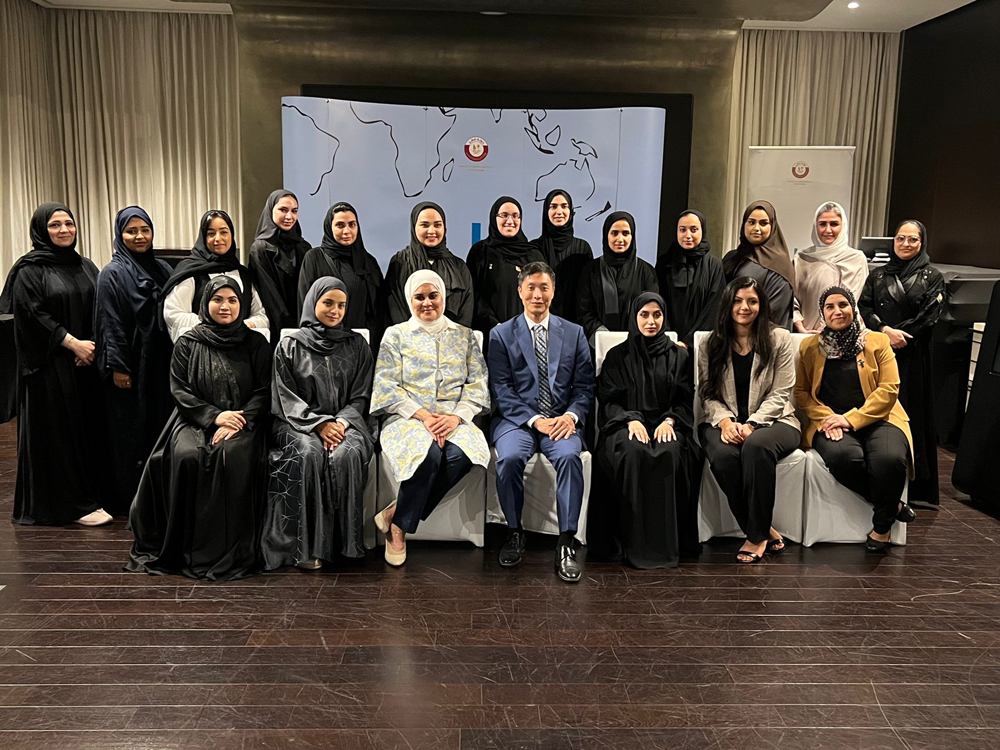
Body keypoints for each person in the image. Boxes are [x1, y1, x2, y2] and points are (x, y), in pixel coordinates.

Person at [127, 277, 271, 579]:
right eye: (218, 299)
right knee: (187, 456)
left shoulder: (256, 343)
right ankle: (186, 547)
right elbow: (180, 391)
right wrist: (215, 417)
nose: (225, 306)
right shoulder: (187, 343)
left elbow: (263, 390)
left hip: (243, 421)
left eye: (232, 300)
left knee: (230, 457)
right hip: (195, 419)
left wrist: (238, 419)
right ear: (205, 303)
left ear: (242, 305)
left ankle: (226, 549)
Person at [0, 203, 113, 526]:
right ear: (40, 230)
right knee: (59, 436)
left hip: (85, 364)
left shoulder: (85, 265)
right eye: (54, 225)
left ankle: (91, 495)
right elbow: (32, 315)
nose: (64, 230)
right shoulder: (29, 270)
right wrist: (72, 343)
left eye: (69, 223)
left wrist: (89, 346)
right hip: (49, 368)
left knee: (86, 433)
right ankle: (69, 506)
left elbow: (99, 307)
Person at [371, 269, 490, 566]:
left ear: (443, 297)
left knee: (461, 455)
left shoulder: (464, 336)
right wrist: (423, 416)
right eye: (419, 297)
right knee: (429, 457)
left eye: (433, 295)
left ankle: (396, 515)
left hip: (454, 419)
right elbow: (386, 386)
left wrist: (455, 418)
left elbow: (477, 385)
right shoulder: (395, 335)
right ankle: (398, 531)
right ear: (409, 300)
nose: (427, 303)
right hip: (408, 418)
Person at [489, 261, 595, 583]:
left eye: (544, 288)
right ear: (520, 291)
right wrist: (535, 420)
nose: (537, 295)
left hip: (561, 420)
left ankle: (566, 542)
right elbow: (501, 390)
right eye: (531, 288)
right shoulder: (501, 334)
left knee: (568, 457)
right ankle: (514, 532)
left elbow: (585, 387)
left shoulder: (574, 333)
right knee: (507, 458)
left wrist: (570, 416)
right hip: (517, 420)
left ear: (553, 291)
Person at [261, 277, 376, 569]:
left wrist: (339, 423)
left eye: (341, 305)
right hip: (296, 424)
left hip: (346, 424)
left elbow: (362, 396)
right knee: (308, 453)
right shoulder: (289, 345)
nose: (335, 311)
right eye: (328, 303)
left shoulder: (357, 345)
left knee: (346, 454)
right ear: (313, 303)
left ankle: (344, 546)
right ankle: (304, 549)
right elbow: (284, 398)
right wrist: (317, 425)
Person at [795, 286, 915, 552]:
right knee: (843, 459)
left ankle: (882, 528)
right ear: (822, 313)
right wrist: (828, 417)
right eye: (830, 307)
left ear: (853, 308)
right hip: (830, 422)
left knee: (889, 460)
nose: (837, 311)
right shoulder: (810, 347)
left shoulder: (877, 341)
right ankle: (892, 505)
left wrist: (850, 420)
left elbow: (889, 389)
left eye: (843, 305)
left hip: (879, 418)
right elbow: (801, 393)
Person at [698, 278, 801, 563]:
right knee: (722, 456)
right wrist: (726, 422)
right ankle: (763, 527)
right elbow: (707, 393)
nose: (745, 307)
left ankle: (755, 537)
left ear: (762, 305)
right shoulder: (711, 343)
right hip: (723, 422)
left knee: (756, 447)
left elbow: (781, 393)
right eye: (738, 300)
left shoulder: (779, 339)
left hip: (776, 421)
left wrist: (752, 424)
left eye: (752, 301)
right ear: (728, 304)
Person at [594, 292, 695, 569]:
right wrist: (630, 420)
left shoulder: (679, 356)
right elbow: (608, 400)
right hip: (625, 424)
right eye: (644, 315)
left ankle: (667, 547)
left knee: (671, 451)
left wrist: (670, 421)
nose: (651, 322)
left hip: (666, 423)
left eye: (657, 315)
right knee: (631, 450)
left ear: (664, 317)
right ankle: (627, 544)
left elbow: (685, 402)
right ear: (634, 317)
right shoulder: (618, 356)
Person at [94, 206, 174, 515]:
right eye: (131, 231)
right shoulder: (111, 274)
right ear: (120, 235)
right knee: (130, 434)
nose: (139, 236)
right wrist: (118, 367)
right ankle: (131, 501)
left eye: (145, 230)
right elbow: (108, 323)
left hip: (160, 364)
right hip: (130, 367)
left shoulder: (164, 269)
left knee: (159, 427)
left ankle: (159, 497)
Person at [860, 220, 945, 505]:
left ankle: (916, 490)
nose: (906, 244)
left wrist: (901, 335)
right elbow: (864, 306)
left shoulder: (933, 276)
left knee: (913, 414)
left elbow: (930, 314)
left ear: (922, 243)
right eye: (900, 239)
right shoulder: (879, 274)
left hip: (914, 354)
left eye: (912, 240)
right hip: (881, 352)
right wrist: (885, 331)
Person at [162, 209, 269, 343]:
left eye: (224, 232)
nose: (218, 238)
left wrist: (242, 326)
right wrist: (213, 326)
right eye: (211, 233)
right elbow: (173, 313)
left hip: (241, 352)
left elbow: (261, 316)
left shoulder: (244, 274)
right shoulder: (191, 272)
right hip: (202, 350)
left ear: (232, 235)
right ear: (203, 237)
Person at [297, 202, 385, 343]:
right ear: (329, 227)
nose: (347, 231)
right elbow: (305, 305)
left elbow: (377, 310)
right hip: (322, 342)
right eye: (340, 225)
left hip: (359, 344)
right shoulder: (314, 258)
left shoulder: (369, 263)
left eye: (352, 224)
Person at [385, 202, 474, 328]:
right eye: (424, 225)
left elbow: (466, 310)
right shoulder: (400, 262)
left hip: (451, 342)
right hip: (408, 342)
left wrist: (453, 338)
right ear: (414, 227)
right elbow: (394, 307)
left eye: (437, 225)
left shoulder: (458, 266)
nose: (431, 231)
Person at [577, 211, 658, 343]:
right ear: (606, 235)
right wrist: (606, 339)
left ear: (632, 236)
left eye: (625, 233)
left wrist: (631, 340)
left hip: (637, 347)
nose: (620, 239)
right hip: (599, 347)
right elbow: (584, 312)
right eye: (614, 233)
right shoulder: (591, 270)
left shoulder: (646, 271)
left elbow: (651, 311)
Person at [468, 196, 545, 332]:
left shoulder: (534, 254)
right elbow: (474, 293)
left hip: (526, 333)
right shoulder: (480, 252)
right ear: (494, 218)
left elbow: (542, 294)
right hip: (489, 333)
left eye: (516, 216)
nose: (510, 221)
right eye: (504, 215)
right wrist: (494, 325)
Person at [793, 201, 869, 334]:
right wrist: (800, 327)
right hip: (804, 334)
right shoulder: (801, 259)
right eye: (822, 224)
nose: (828, 230)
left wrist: (827, 329)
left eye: (834, 224)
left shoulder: (856, 259)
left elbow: (852, 300)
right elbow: (791, 300)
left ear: (843, 226)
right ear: (815, 226)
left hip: (843, 335)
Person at [655, 209, 725, 348]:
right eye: (682, 230)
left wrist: (688, 342)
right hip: (667, 343)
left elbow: (714, 307)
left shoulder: (714, 265)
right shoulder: (665, 263)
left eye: (694, 229)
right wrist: (669, 338)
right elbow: (658, 300)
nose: (688, 235)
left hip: (702, 344)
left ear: (702, 231)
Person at [723, 200, 795, 330]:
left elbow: (774, 311)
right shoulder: (732, 257)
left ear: (772, 227)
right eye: (751, 222)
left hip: (762, 337)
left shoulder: (779, 264)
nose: (756, 228)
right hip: (729, 336)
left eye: (763, 223)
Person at [248, 189, 312, 333]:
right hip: (276, 326)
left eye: (294, 211)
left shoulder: (304, 247)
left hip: (305, 325)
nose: (289, 216)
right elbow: (269, 295)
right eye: (283, 210)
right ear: (271, 210)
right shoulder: (260, 249)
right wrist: (289, 329)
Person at [530, 189, 593, 323]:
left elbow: (587, 293)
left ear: (571, 211)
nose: (559, 212)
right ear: (546, 212)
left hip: (575, 323)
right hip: (539, 322)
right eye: (553, 206)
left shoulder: (582, 249)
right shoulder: (534, 248)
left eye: (564, 206)